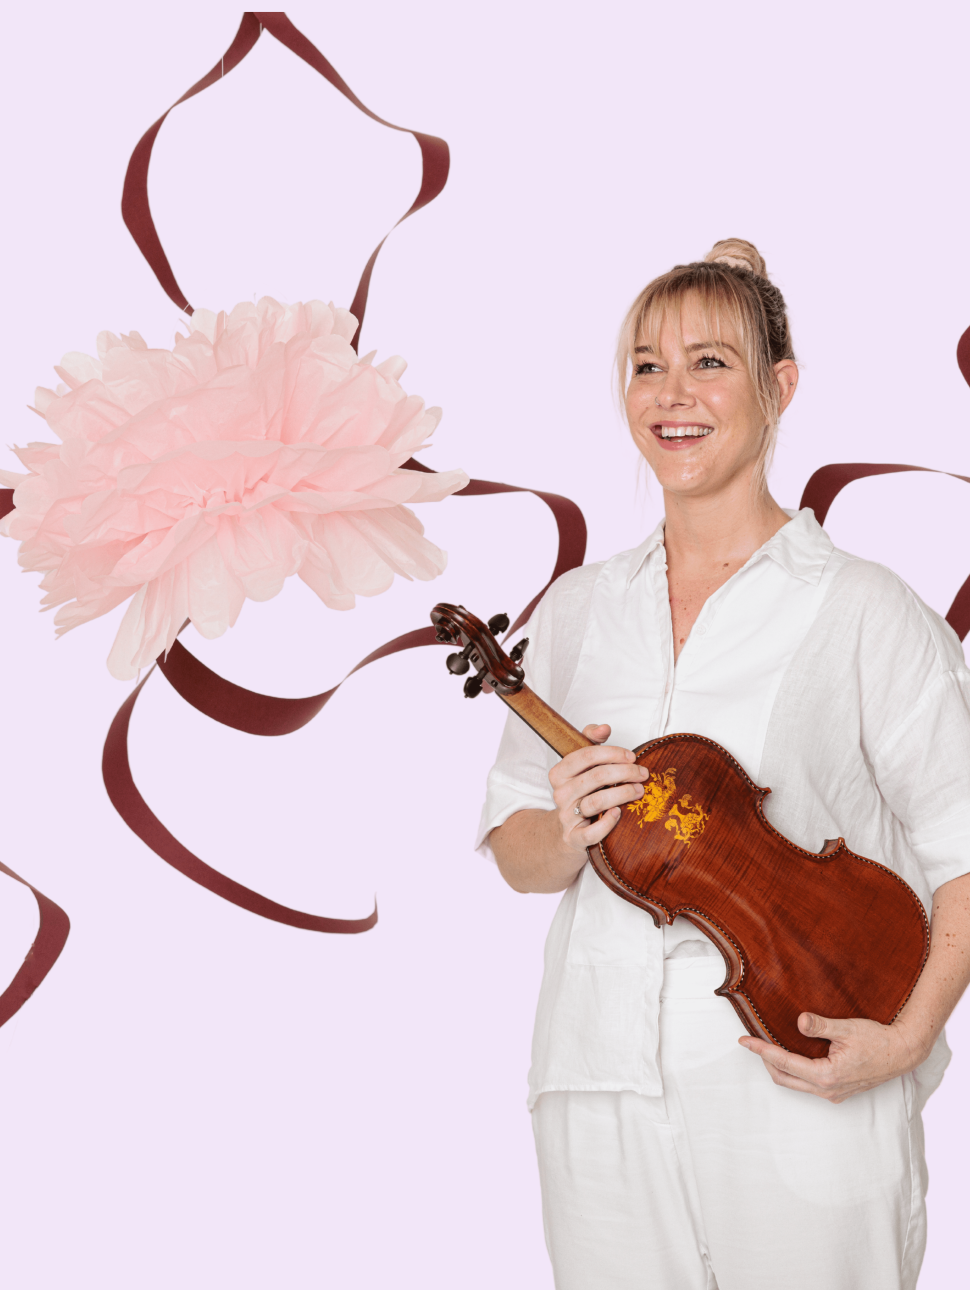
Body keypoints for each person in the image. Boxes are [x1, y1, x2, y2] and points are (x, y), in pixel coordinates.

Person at [479, 239, 970, 1290]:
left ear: (778, 386)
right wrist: (564, 829)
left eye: (710, 362)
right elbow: (518, 852)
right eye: (646, 364)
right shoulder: (575, 612)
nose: (672, 394)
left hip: (804, 1074)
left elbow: (962, 843)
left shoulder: (860, 607)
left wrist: (907, 1036)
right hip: (597, 1075)